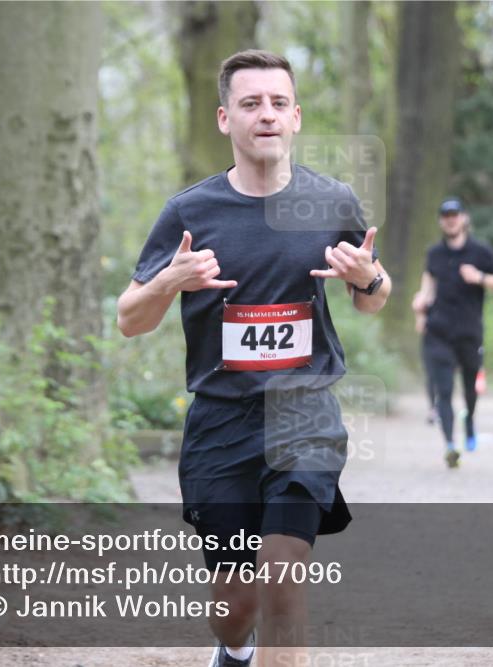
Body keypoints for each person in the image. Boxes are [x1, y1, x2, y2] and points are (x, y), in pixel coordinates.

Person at [116, 50, 391, 667]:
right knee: (233, 606)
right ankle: (231, 651)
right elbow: (129, 318)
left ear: (295, 117)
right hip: (221, 424)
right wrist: (170, 282)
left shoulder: (332, 201)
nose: (264, 115)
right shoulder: (190, 213)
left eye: (276, 103)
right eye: (250, 103)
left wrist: (369, 278)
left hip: (305, 418)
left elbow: (374, 299)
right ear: (224, 119)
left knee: (282, 582)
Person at [412, 198, 493, 468]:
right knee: (443, 390)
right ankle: (450, 446)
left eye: (454, 215)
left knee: (469, 390)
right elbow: (427, 286)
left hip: (469, 333)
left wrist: (479, 278)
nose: (450, 219)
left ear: (464, 218)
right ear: (441, 221)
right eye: (445, 216)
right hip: (438, 332)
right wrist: (420, 307)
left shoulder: (481, 252)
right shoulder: (434, 254)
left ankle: (469, 422)